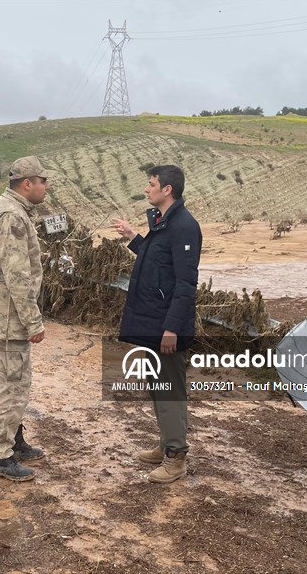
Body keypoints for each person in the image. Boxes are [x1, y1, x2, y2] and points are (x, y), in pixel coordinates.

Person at [111, 165, 201, 484]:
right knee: (158, 386)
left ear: (167, 190)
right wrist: (133, 237)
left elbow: (186, 283)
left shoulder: (184, 227)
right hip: (153, 322)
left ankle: (176, 459)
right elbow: (156, 260)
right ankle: (166, 444)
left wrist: (173, 328)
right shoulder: (164, 223)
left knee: (170, 391)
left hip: (167, 326)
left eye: (151, 184)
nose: (146, 189)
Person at [0, 156, 53, 481]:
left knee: (15, 383)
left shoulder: (15, 210)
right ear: (27, 183)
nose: (46, 186)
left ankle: (13, 440)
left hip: (6, 316)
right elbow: (17, 275)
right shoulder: (11, 216)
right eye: (43, 180)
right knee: (11, 388)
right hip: (10, 318)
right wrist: (33, 321)